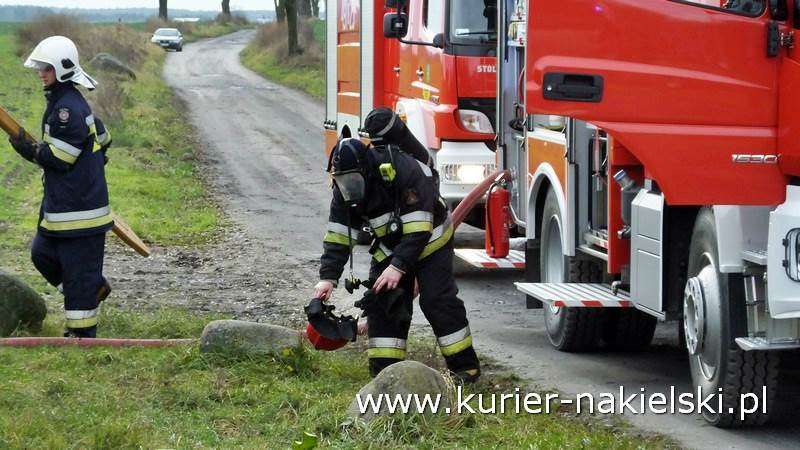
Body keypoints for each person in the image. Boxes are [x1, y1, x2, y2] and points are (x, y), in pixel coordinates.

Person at [313, 133, 481, 382]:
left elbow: (419, 228)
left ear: (367, 169)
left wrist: (398, 267)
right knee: (383, 304)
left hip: (431, 241)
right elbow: (339, 236)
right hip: (391, 248)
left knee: (437, 301)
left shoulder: (403, 171)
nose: (349, 188)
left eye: (353, 180)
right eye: (342, 181)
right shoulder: (344, 191)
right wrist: (328, 278)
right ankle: (385, 374)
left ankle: (465, 370)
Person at [8, 36, 113, 338]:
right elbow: (104, 139)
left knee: (79, 279)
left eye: (47, 68)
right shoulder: (68, 102)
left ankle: (81, 337)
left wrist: (28, 149)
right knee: (42, 254)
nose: (41, 72)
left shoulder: (66, 109)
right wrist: (91, 166)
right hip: (64, 206)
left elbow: (60, 158)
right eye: (40, 67)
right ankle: (92, 288)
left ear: (63, 70)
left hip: (79, 213)